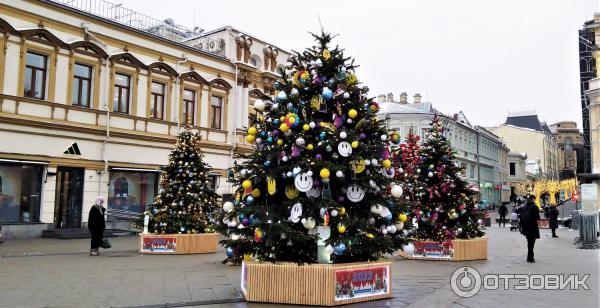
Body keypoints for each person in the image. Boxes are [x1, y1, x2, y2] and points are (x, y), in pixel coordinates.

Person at [519, 196, 540, 263]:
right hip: (533, 227)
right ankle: (530, 257)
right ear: (533, 199)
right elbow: (538, 218)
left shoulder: (524, 207)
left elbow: (520, 216)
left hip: (525, 227)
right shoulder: (535, 207)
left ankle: (529, 256)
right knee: (532, 243)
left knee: (529, 242)